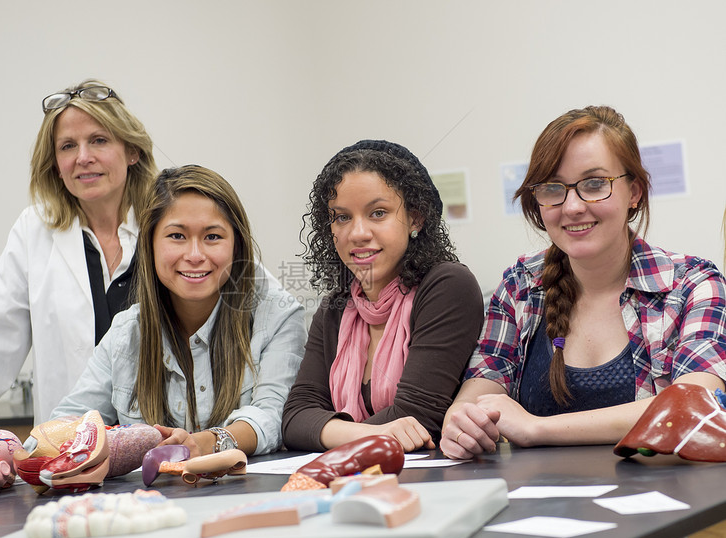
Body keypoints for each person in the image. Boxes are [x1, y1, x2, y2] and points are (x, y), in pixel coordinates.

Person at [441, 105, 726, 460]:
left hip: (655, 506)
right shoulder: (521, 286)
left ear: (634, 192)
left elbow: (694, 406)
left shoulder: (691, 285)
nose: (573, 206)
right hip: (536, 509)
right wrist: (461, 418)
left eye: (594, 185)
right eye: (552, 188)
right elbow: (480, 391)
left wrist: (536, 428)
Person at [0, 80, 158, 459]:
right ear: (56, 165)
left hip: (167, 451)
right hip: (68, 459)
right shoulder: (35, 232)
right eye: (68, 146)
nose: (83, 157)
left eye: (99, 140)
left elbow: (253, 302)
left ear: (131, 151)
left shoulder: (170, 221)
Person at [49, 165, 307, 457]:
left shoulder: (277, 317)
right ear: (150, 244)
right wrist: (19, 451)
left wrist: (204, 444)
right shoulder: (126, 332)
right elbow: (70, 420)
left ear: (236, 246)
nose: (195, 255)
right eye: (177, 236)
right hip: (150, 501)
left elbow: (272, 416)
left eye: (212, 237)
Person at [281, 140, 484, 453]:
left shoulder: (447, 286)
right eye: (342, 217)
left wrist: (330, 431)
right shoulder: (336, 307)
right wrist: (375, 433)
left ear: (415, 218)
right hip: (356, 484)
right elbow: (295, 419)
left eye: (378, 213)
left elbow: (418, 417)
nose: (358, 233)